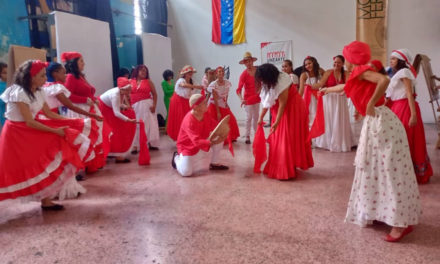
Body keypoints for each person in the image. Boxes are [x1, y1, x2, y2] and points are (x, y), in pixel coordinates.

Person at [321, 41, 421, 242]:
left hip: (381, 121)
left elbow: (383, 81)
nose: (345, 60)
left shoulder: (361, 69)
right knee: (374, 168)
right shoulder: (357, 73)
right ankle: (381, 211)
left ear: (352, 58)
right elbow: (346, 87)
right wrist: (327, 90)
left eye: (346, 57)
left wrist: (368, 103)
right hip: (375, 122)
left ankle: (400, 223)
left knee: (388, 169)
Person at [0, 60, 91, 210]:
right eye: (42, 76)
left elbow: (49, 114)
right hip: (17, 133)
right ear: (31, 77)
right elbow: (29, 121)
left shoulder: (39, 91)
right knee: (13, 168)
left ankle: (46, 200)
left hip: (30, 129)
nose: (45, 79)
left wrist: (74, 121)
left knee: (43, 162)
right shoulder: (18, 92)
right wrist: (56, 130)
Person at [256, 63, 314, 180]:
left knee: (286, 137)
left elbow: (283, 104)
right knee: (280, 138)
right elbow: (267, 101)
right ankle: (285, 164)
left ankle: (287, 167)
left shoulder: (283, 81)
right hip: (279, 111)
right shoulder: (268, 83)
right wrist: (261, 117)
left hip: (292, 109)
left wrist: (276, 122)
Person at [386, 49, 433, 184]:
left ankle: (410, 173)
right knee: (400, 139)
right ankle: (402, 171)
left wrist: (412, 115)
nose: (391, 61)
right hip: (397, 107)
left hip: (405, 107)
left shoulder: (404, 72)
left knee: (406, 139)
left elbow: (408, 92)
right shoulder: (396, 73)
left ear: (401, 60)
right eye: (391, 58)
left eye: (394, 59)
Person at [63, 51, 106, 174]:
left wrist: (93, 99)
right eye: (81, 61)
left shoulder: (80, 76)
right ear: (74, 63)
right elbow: (67, 96)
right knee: (86, 137)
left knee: (94, 136)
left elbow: (88, 92)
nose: (84, 63)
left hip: (89, 108)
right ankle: (82, 165)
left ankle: (92, 163)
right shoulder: (70, 77)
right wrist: (85, 100)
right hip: (80, 111)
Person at [172, 94, 229, 176]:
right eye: (204, 103)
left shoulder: (205, 113)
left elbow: (214, 125)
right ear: (196, 107)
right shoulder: (189, 121)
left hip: (201, 139)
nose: (207, 104)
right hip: (187, 146)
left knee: (219, 139)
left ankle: (214, 163)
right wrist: (209, 142)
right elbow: (196, 141)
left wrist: (222, 131)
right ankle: (176, 158)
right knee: (186, 172)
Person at [312, 55, 352, 152]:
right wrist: (311, 86)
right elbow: (320, 84)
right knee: (329, 120)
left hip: (341, 100)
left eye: (338, 62)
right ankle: (327, 142)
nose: (336, 64)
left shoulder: (346, 73)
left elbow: (348, 86)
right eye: (335, 62)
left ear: (342, 64)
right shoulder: (328, 72)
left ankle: (339, 143)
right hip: (329, 100)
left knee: (339, 120)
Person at [99, 77, 137, 163]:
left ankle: (114, 153)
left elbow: (118, 105)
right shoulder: (115, 95)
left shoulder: (121, 93)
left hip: (108, 108)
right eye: (128, 89)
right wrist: (128, 120)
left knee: (115, 130)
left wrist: (125, 106)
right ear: (123, 89)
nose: (129, 91)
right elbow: (116, 112)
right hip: (103, 109)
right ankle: (108, 153)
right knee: (110, 130)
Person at [167, 65, 203, 141]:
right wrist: (196, 86)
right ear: (185, 73)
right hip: (178, 102)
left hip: (186, 102)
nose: (190, 73)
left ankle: (188, 136)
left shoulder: (192, 81)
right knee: (180, 119)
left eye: (191, 72)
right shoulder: (181, 80)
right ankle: (180, 137)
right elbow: (184, 85)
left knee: (189, 119)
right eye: (188, 72)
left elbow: (199, 87)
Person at [130, 65, 160, 152]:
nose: (144, 72)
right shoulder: (130, 81)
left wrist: (154, 105)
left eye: (145, 71)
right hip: (134, 106)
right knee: (136, 125)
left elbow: (155, 94)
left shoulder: (148, 82)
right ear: (137, 71)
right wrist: (128, 105)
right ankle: (135, 145)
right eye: (142, 70)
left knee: (149, 124)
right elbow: (125, 95)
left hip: (147, 105)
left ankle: (151, 143)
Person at [206, 66, 240, 142]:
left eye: (222, 71)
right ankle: (215, 138)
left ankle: (230, 137)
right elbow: (215, 99)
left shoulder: (227, 83)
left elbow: (226, 95)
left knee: (231, 119)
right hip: (214, 104)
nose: (221, 73)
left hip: (222, 102)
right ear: (216, 74)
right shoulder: (214, 84)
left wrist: (226, 103)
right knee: (216, 120)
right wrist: (218, 112)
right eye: (219, 72)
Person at [237, 52, 261, 144]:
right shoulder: (244, 74)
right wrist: (241, 99)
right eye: (246, 62)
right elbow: (238, 89)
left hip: (257, 98)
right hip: (248, 99)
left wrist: (260, 90)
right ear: (244, 63)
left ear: (252, 61)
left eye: (249, 61)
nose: (248, 63)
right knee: (248, 118)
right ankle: (247, 136)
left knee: (256, 117)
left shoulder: (258, 71)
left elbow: (262, 82)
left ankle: (257, 134)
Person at [299, 56, 325, 131]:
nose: (308, 66)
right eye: (306, 65)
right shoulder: (304, 75)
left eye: (309, 63)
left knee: (321, 114)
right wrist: (298, 101)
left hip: (320, 96)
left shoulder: (321, 71)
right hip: (309, 98)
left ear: (314, 62)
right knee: (311, 115)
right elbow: (301, 90)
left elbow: (327, 81)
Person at [0, 62, 7, 129]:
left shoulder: (12, 83)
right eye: (4, 73)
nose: (7, 75)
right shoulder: (1, 86)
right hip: (2, 116)